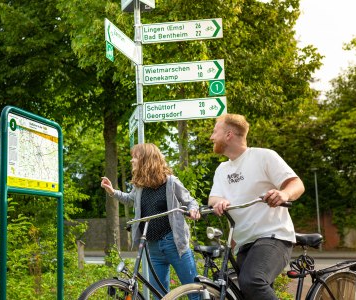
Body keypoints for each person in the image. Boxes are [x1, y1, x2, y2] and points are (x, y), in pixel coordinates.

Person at [208, 113, 305, 300]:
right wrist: (218, 202)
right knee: (246, 292)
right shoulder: (222, 170)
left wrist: (284, 194)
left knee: (253, 281)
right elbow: (214, 197)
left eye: (215, 132)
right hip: (245, 242)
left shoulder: (264, 156)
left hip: (273, 236)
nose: (212, 137)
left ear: (229, 135)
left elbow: (296, 184)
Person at [100, 143, 201, 299]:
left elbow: (190, 201)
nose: (132, 161)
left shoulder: (171, 182)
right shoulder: (140, 186)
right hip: (152, 246)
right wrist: (113, 192)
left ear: (147, 160)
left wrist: (194, 210)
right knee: (158, 296)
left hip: (174, 243)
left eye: (135, 157)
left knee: (194, 292)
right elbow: (130, 199)